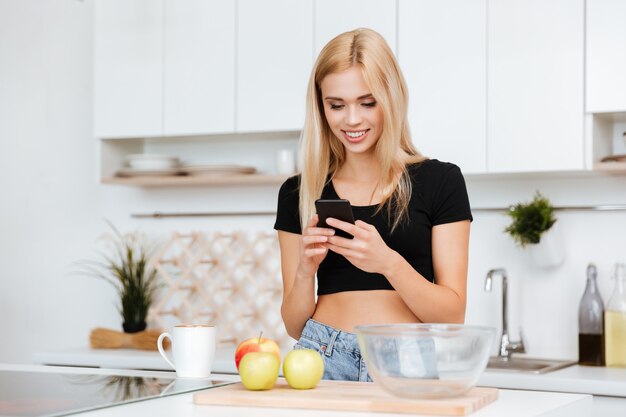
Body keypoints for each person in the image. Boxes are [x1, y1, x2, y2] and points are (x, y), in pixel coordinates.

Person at [273, 28, 472, 382]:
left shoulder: (441, 181)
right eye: (336, 105)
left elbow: (452, 316)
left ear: (391, 98)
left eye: (367, 103)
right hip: (321, 355)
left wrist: (388, 262)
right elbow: (293, 325)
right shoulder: (298, 192)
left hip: (406, 360)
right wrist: (306, 269)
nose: (351, 120)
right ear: (321, 106)